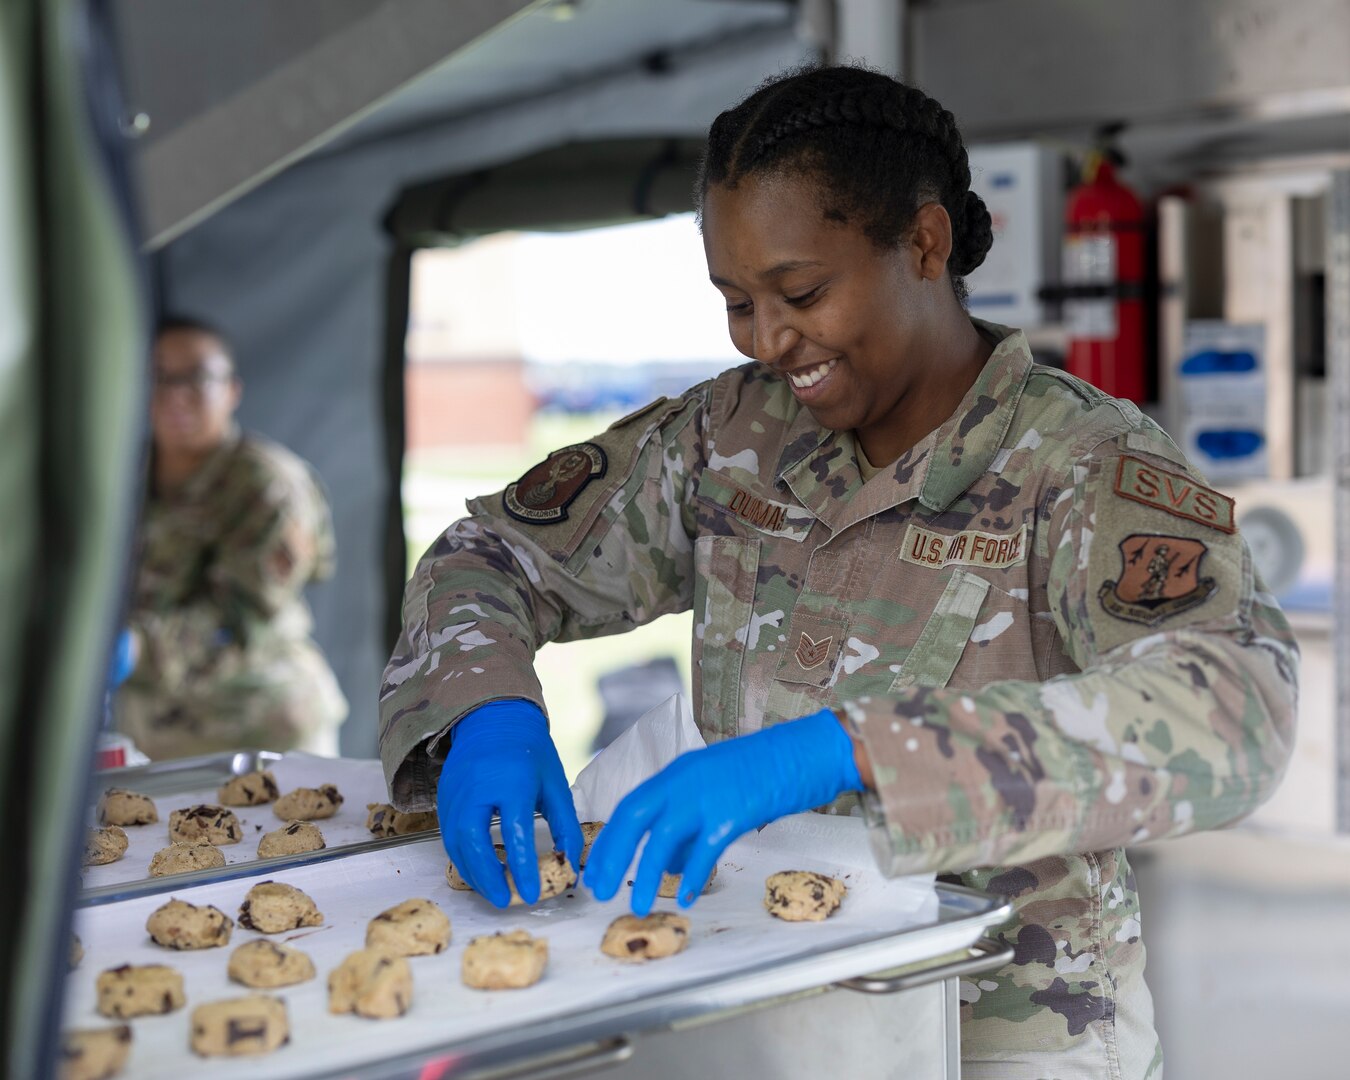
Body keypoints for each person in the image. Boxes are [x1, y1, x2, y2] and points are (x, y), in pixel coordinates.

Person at [378, 65, 1298, 1078]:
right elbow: (492, 553)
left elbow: (1235, 712)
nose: (769, 341)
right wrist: (486, 714)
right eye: (736, 302)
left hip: (1003, 1035)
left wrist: (852, 752)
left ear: (924, 242)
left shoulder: (1079, 465)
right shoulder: (730, 436)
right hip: (760, 1021)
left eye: (802, 293)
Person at [115, 316, 347, 759]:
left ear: (232, 390)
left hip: (263, 732)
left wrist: (134, 650)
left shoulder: (268, 484)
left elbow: (241, 616)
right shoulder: (125, 478)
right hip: (158, 739)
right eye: (159, 378)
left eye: (197, 378)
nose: (175, 395)